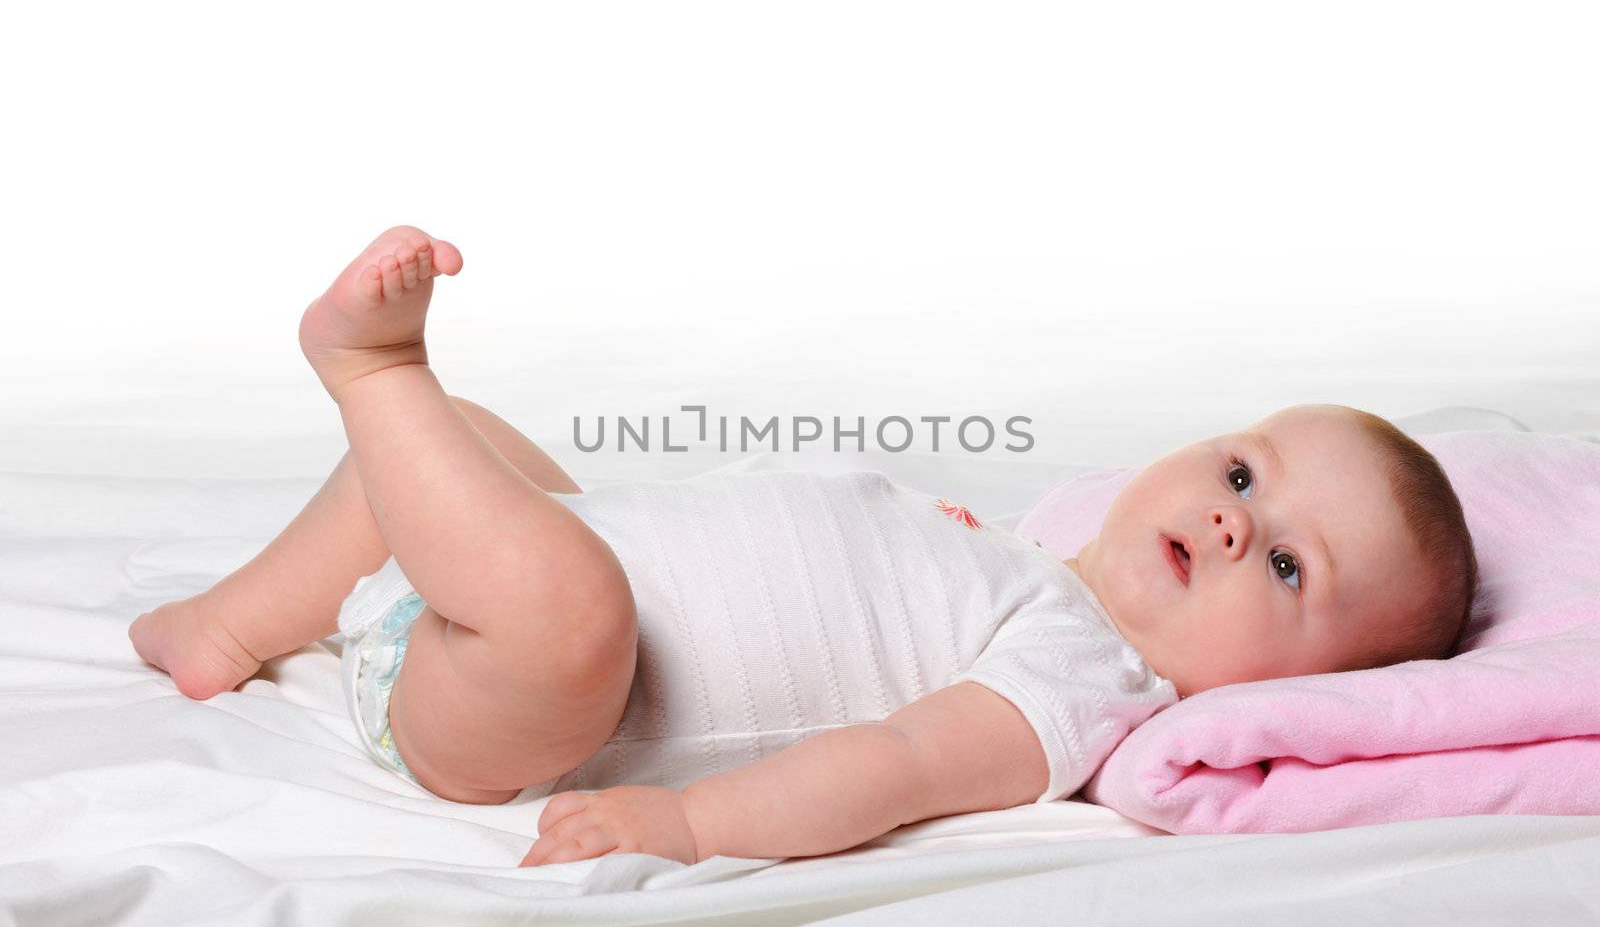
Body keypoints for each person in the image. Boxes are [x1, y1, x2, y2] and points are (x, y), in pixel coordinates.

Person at [128, 226, 1477, 867]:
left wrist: (689, 821)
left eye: (1289, 571)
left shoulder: (1082, 683)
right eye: (1244, 470)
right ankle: (234, 623)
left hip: (515, 704)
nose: (1238, 518)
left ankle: (373, 377)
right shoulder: (1016, 560)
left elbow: (886, 769)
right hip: (505, 588)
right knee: (489, 458)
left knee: (565, 598)